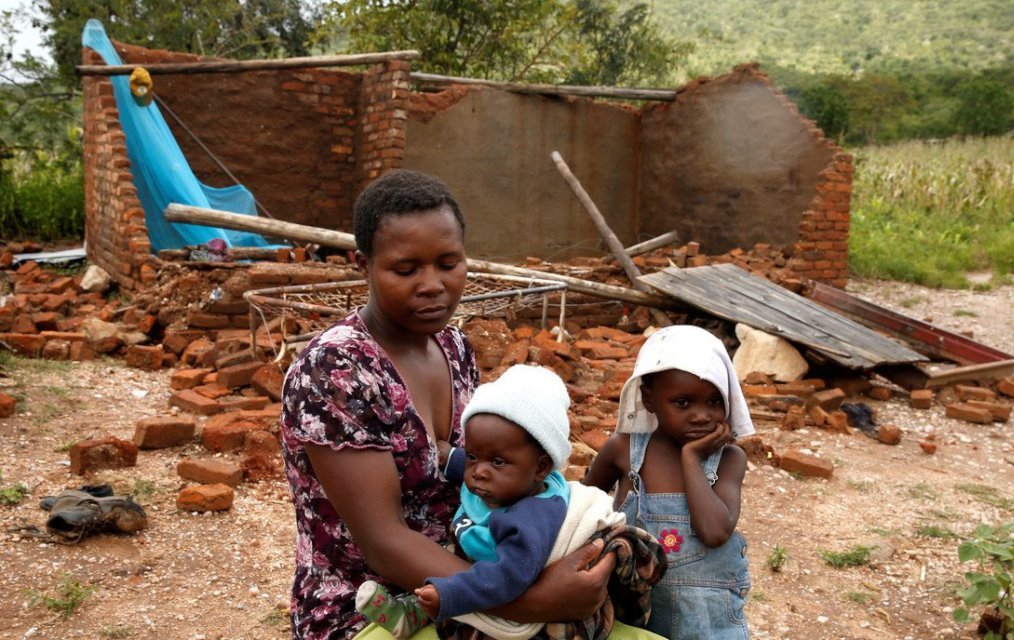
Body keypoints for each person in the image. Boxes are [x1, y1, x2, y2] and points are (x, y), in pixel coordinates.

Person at [279, 169, 653, 640]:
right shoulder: (336, 372)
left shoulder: (452, 346)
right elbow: (383, 542)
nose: (432, 284)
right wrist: (535, 600)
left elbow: (485, 473)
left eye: (448, 262)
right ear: (363, 264)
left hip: (478, 574)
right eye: (406, 269)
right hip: (375, 606)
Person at [357, 364, 661, 640]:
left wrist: (448, 595)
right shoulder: (509, 480)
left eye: (497, 461)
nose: (479, 472)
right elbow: (480, 461)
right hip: (474, 565)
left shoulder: (529, 516)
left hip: (505, 581)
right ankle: (411, 612)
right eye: (474, 455)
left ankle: (422, 610)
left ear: (541, 467)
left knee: (461, 610)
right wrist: (450, 456)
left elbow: (509, 578)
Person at [584, 325, 756, 640]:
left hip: (708, 626)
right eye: (682, 403)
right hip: (633, 622)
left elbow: (714, 531)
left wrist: (691, 458)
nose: (702, 416)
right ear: (649, 399)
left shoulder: (729, 459)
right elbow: (580, 510)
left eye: (714, 402)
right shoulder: (625, 450)